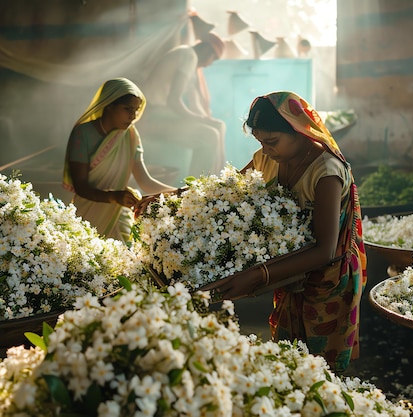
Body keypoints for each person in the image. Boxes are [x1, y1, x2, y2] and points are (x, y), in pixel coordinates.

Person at [201, 91, 368, 372]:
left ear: (299, 132)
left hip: (327, 282)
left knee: (320, 369)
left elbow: (323, 251)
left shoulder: (325, 173)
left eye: (272, 142)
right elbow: (228, 194)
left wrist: (258, 275)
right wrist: (180, 197)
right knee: (289, 361)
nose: (265, 150)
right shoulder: (267, 159)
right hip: (289, 273)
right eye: (260, 142)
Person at [62, 77, 178, 243]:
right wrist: (113, 197)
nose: (133, 116)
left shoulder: (130, 135)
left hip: (120, 213)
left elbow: (144, 180)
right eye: (127, 109)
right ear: (109, 105)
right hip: (88, 214)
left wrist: (180, 192)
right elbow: (81, 186)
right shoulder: (83, 133)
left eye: (136, 110)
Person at [136, 32, 226, 178]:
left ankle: (218, 179)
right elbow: (174, 101)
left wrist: (203, 118)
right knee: (210, 135)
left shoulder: (185, 54)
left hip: (159, 113)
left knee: (218, 126)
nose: (209, 64)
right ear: (205, 49)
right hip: (152, 115)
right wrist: (200, 119)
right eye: (213, 58)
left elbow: (193, 102)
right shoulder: (188, 56)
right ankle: (200, 189)